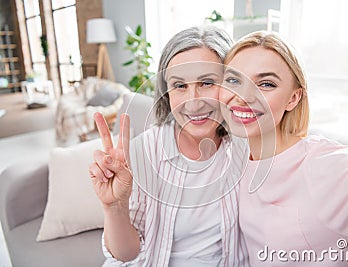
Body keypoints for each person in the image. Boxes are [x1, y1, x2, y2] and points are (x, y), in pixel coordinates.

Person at [219, 30, 348, 266]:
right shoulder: (239, 161)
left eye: (266, 84)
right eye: (233, 80)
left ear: (293, 99)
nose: (242, 97)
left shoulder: (325, 164)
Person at [89, 26, 249, 266]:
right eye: (180, 85)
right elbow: (126, 254)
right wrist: (114, 207)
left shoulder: (246, 149)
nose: (193, 104)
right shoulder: (144, 151)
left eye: (206, 82)